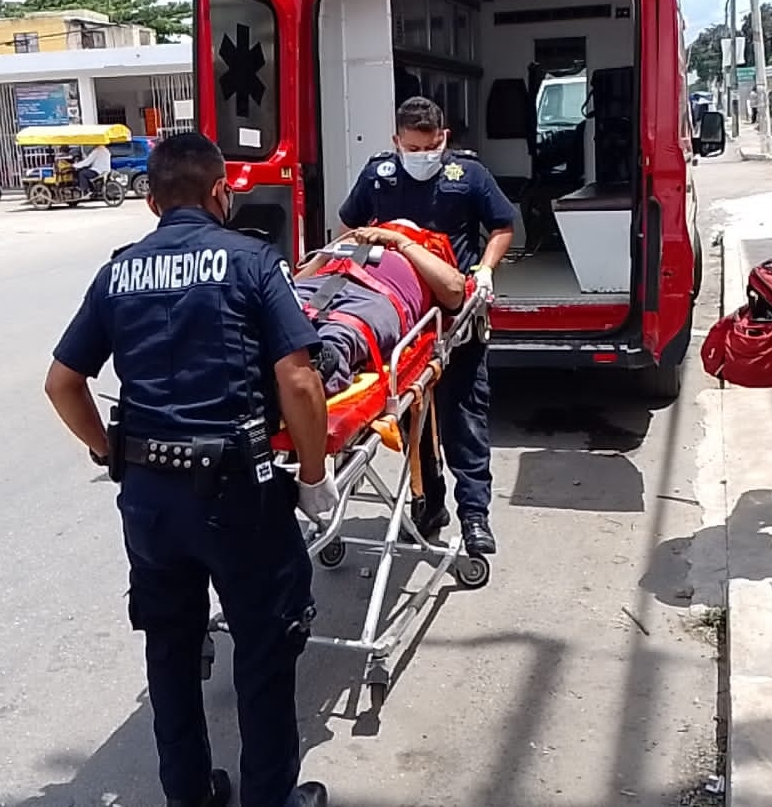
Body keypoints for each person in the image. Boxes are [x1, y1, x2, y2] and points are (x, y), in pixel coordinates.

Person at [44, 132, 332, 807]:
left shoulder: (118, 272)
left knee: (170, 649)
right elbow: (298, 378)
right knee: (264, 647)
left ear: (150, 202)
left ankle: (190, 794)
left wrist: (108, 451)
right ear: (219, 193)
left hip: (148, 499)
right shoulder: (252, 261)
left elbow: (62, 382)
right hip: (237, 492)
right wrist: (314, 477)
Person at [337, 96, 515, 556]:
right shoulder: (380, 175)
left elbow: (502, 225)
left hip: (456, 311)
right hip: (405, 316)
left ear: (444, 138)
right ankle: (428, 503)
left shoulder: (468, 175)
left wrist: (486, 270)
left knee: (464, 419)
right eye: (412, 147)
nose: (422, 155)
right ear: (396, 141)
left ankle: (475, 517)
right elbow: (349, 224)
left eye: (430, 145)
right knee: (417, 422)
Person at [293, 219, 466, 395]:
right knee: (280, 311)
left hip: (377, 296)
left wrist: (401, 241)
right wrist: (328, 253)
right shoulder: (348, 248)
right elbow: (291, 285)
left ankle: (316, 370)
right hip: (322, 281)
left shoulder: (423, 254)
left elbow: (454, 289)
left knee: (344, 332)